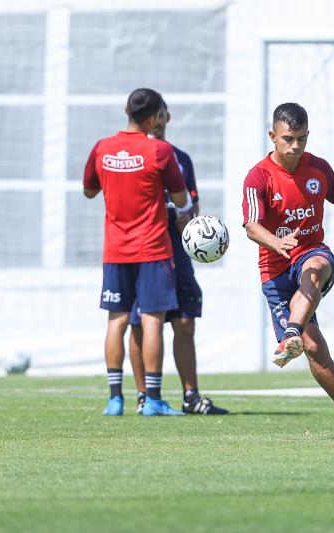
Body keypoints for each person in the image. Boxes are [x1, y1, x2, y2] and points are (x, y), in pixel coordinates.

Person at [241, 102, 334, 437]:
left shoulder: (318, 168)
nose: (296, 146)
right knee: (314, 350)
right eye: (288, 139)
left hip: (311, 253)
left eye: (302, 138)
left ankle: (291, 332)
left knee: (315, 267)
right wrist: (275, 242)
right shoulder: (258, 177)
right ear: (272, 136)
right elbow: (251, 226)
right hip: (275, 271)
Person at [83, 88, 193, 417]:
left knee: (116, 321)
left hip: (115, 248)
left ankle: (115, 399)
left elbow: (88, 191)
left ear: (126, 110)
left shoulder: (102, 148)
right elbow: (181, 199)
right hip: (152, 247)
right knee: (152, 321)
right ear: (156, 117)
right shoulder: (159, 151)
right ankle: (153, 400)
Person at [128, 100, 228, 415]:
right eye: (152, 116)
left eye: (161, 115)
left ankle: (191, 397)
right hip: (143, 250)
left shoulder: (181, 159)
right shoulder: (132, 158)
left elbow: (191, 203)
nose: (157, 122)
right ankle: (145, 396)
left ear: (167, 117)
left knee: (185, 322)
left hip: (177, 253)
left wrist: (188, 218)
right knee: (140, 324)